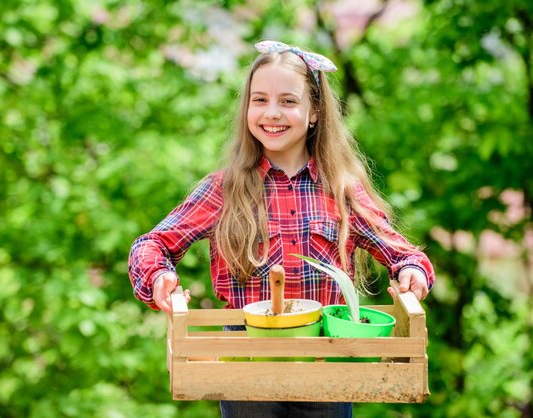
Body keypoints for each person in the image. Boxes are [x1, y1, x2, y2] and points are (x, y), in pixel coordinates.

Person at [128, 40, 435, 418]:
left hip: (325, 368)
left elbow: (404, 254)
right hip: (247, 371)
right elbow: (152, 243)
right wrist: (158, 275)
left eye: (288, 101)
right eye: (259, 100)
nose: (272, 113)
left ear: (314, 112)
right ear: (246, 109)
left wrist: (411, 272)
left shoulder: (341, 191)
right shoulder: (224, 190)